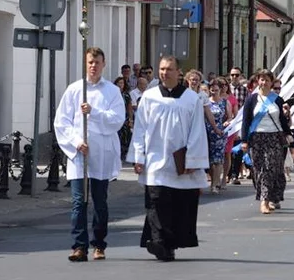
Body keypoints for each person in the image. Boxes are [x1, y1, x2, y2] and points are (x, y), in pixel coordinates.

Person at [130, 55, 209, 261]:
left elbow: (198, 131)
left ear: (178, 72)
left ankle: (170, 244)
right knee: (156, 201)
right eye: (162, 69)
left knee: (178, 204)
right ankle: (157, 242)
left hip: (180, 160)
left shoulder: (191, 99)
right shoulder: (149, 97)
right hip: (155, 158)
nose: (165, 73)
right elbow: (140, 128)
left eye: (169, 69)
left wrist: (193, 159)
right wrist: (138, 156)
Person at [54, 47, 125, 262]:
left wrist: (94, 112)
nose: (93, 66)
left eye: (97, 62)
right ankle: (79, 245)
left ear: (103, 64)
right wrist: (76, 142)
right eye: (90, 62)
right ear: (86, 64)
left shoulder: (111, 91)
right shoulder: (75, 90)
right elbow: (62, 121)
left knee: (99, 201)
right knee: (78, 202)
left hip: (101, 155)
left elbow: (117, 119)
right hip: (80, 155)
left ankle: (99, 243)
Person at [241, 69, 292, 215]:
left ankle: (265, 200)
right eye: (261, 80)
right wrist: (244, 140)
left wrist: (288, 133)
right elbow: (246, 121)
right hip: (256, 138)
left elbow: (282, 119)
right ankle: (266, 196)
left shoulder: (277, 99)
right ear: (258, 81)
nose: (264, 83)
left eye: (267, 80)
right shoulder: (251, 99)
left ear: (271, 82)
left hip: (274, 137)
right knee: (258, 169)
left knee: (271, 167)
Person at [204, 78, 231, 194]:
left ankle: (215, 184)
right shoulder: (206, 102)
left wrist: (227, 122)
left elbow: (230, 116)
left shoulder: (225, 102)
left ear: (220, 90)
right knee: (210, 160)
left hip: (220, 133)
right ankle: (213, 180)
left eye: (216, 90)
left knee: (218, 159)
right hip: (207, 132)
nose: (214, 92)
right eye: (212, 90)